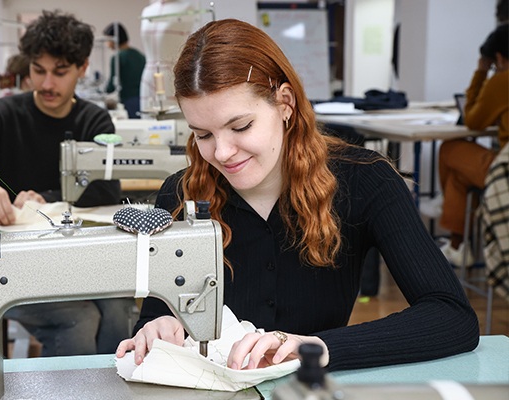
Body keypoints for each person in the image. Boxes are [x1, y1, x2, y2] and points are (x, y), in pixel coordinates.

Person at [116, 19, 479, 372]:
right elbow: (156, 315)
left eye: (240, 126)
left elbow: (451, 315)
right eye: (203, 135)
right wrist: (156, 327)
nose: (222, 153)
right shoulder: (180, 195)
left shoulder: (365, 181)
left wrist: (319, 348)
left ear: (285, 103)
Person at [0, 9, 133, 356]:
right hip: (12, 266)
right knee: (80, 319)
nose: (46, 84)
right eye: (38, 71)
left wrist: (46, 199)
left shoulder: (95, 120)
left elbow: (106, 190)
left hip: (78, 259)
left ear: (83, 68)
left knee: (119, 309)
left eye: (60, 73)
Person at [437, 23, 509, 267]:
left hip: (506, 174)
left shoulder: (501, 81)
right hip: (503, 164)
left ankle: (445, 202)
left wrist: (481, 73)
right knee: (459, 176)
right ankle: (458, 246)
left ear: (498, 57)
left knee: (450, 149)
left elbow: (472, 120)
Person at [139, 0, 196, 113]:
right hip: (148, 74)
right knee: (147, 121)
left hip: (171, 73)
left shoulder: (186, 8)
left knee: (174, 120)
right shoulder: (147, 11)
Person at [103, 22, 146, 119]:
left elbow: (111, 87)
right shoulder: (140, 56)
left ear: (114, 39)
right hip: (143, 99)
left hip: (129, 101)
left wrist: (99, 92)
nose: (107, 44)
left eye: (108, 40)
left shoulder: (117, 58)